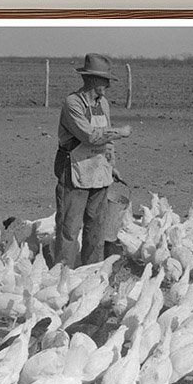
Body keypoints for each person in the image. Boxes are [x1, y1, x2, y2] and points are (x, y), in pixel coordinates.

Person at [52, 53, 131, 267]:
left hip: (98, 167)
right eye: (105, 81)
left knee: (96, 225)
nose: (108, 85)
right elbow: (89, 136)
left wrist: (111, 165)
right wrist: (120, 132)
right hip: (74, 166)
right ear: (94, 80)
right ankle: (63, 273)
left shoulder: (103, 103)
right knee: (69, 226)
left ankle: (91, 271)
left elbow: (106, 139)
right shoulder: (73, 103)